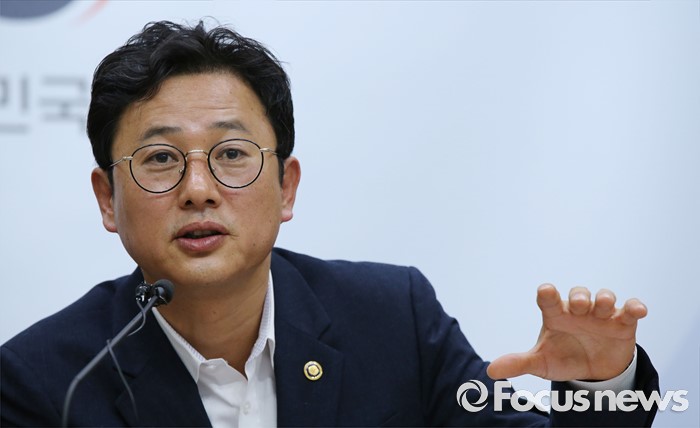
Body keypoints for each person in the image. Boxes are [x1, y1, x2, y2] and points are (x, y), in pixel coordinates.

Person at [0, 20, 658, 427]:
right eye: (161, 160)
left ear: (286, 187)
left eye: (232, 154)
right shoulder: (46, 383)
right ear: (108, 200)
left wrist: (602, 387)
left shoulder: (393, 321)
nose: (198, 190)